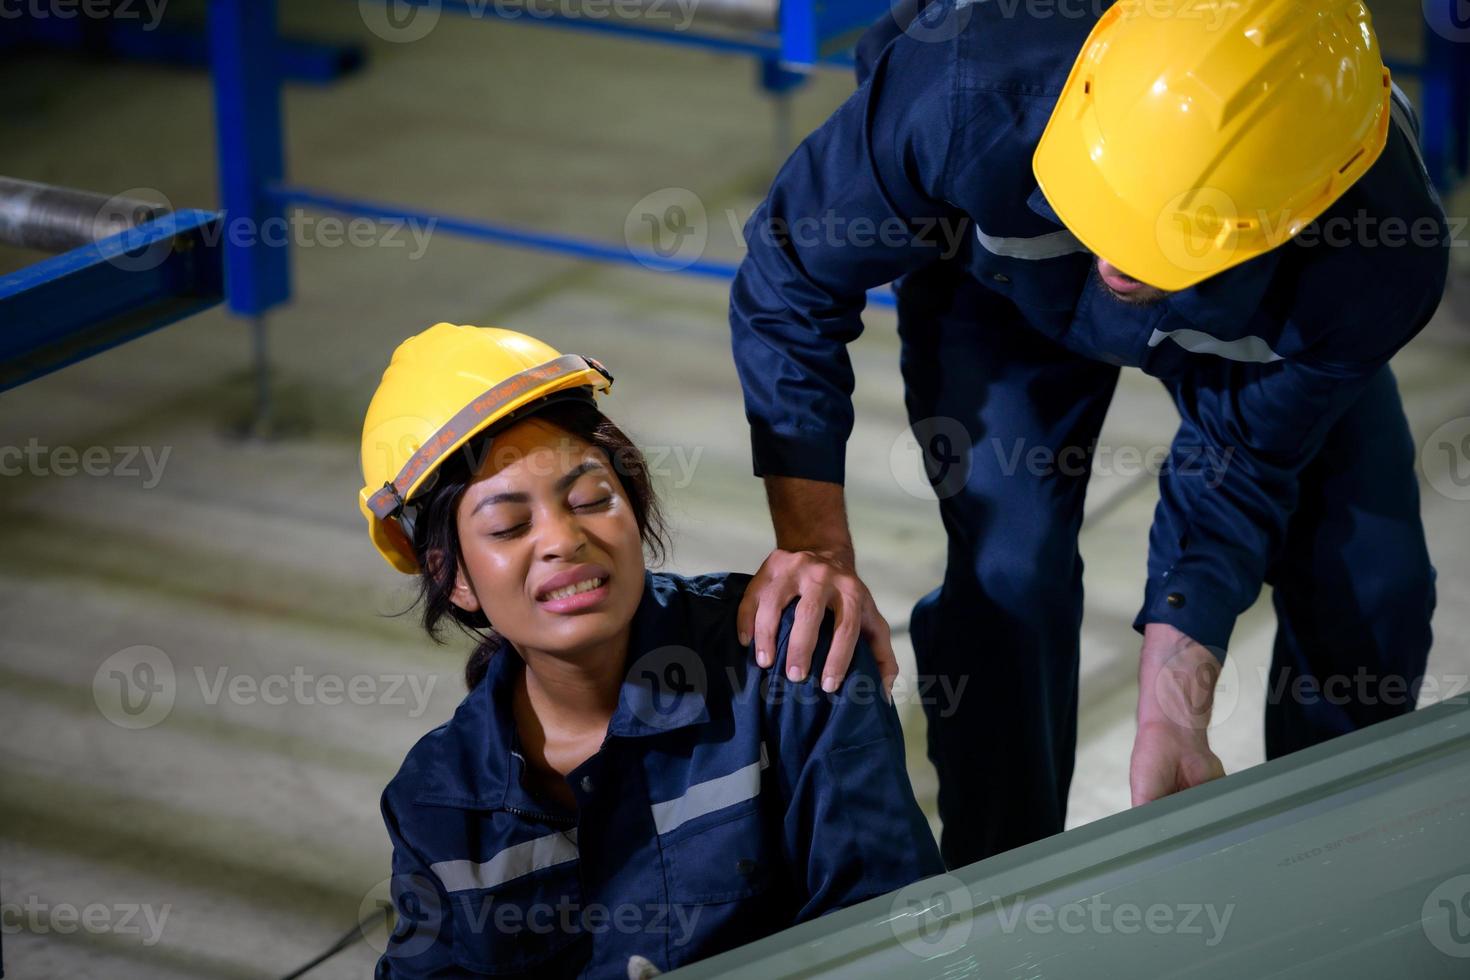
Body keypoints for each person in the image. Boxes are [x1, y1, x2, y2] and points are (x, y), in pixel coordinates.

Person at [729, 0, 1449, 869]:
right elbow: (792, 273)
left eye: (1153, 244)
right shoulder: (965, 87)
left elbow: (1241, 459)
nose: (1111, 261)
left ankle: (1330, 874)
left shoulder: (1375, 256)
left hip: (1262, 301)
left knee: (1373, 582)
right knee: (1010, 581)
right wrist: (819, 556)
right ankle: (1005, 884)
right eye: (1109, 215)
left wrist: (1172, 710)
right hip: (1001, 284)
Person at [357, 323, 943, 978]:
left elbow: (891, 932)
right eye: (509, 526)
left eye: (590, 499)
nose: (563, 540)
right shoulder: (440, 801)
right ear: (452, 575)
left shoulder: (787, 660)